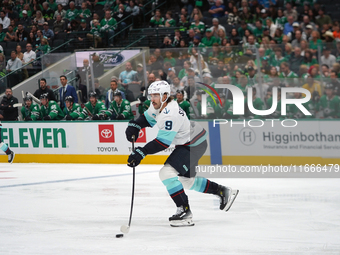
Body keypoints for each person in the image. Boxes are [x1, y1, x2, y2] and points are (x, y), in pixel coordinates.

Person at [125, 80, 239, 227]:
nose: (152, 99)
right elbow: (146, 118)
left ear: (165, 96)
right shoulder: (158, 105)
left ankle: (185, 212)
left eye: (155, 95)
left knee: (166, 173)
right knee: (187, 181)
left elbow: (162, 142)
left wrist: (142, 152)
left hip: (193, 145)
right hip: (192, 142)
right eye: (151, 95)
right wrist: (135, 125)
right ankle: (223, 191)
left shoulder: (170, 113)